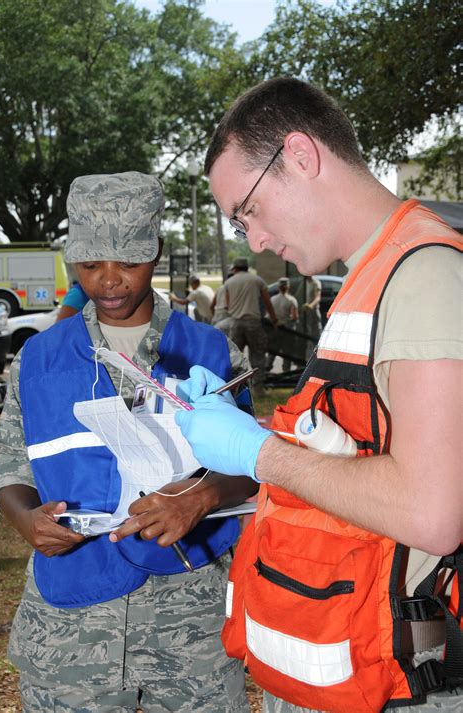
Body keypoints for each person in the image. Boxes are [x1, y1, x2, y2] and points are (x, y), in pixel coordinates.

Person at [174, 78, 463, 713]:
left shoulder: (424, 275)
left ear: (301, 157)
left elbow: (434, 513)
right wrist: (243, 425)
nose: (252, 240)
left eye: (247, 210)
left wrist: (259, 456)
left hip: (406, 676)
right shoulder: (376, 272)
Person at [0, 171, 256, 712]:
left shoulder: (211, 353)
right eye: (89, 266)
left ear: (155, 251)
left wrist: (201, 496)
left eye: (128, 263)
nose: (109, 281)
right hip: (71, 632)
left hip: (189, 622)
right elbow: (10, 465)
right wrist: (26, 520)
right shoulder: (38, 360)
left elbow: (256, 465)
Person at [225, 256, 278, 395]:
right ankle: (258, 389)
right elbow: (267, 302)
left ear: (235, 268)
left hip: (235, 323)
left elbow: (226, 305)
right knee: (258, 356)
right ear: (247, 267)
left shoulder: (229, 282)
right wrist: (274, 319)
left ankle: (233, 389)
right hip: (253, 323)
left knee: (234, 358)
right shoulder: (257, 280)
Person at [266, 276, 299, 372]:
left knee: (272, 352)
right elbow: (294, 317)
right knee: (287, 353)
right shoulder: (292, 300)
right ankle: (286, 372)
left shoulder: (273, 299)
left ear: (278, 287)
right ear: (288, 287)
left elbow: (268, 316)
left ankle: (267, 371)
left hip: (275, 329)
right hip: (287, 331)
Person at [302, 275, 322, 360]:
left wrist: (311, 306)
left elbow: (318, 297)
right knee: (308, 336)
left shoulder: (316, 283)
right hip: (306, 313)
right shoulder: (304, 283)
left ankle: (318, 357)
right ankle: (309, 358)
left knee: (316, 334)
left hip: (313, 312)